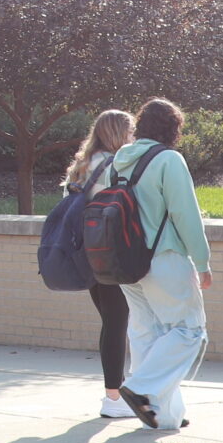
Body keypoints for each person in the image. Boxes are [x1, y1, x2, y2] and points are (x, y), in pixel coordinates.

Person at [107, 98, 211, 432]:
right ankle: (141, 389)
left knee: (147, 332)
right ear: (173, 128)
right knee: (189, 330)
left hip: (125, 262)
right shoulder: (169, 160)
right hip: (163, 258)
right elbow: (185, 214)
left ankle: (164, 416)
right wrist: (202, 261)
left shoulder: (118, 162)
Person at [61, 109, 139, 418]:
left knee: (111, 320)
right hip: (109, 251)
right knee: (117, 321)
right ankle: (113, 397)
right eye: (130, 131)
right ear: (119, 133)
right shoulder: (114, 164)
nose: (133, 137)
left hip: (85, 250)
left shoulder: (82, 165)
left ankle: (116, 392)